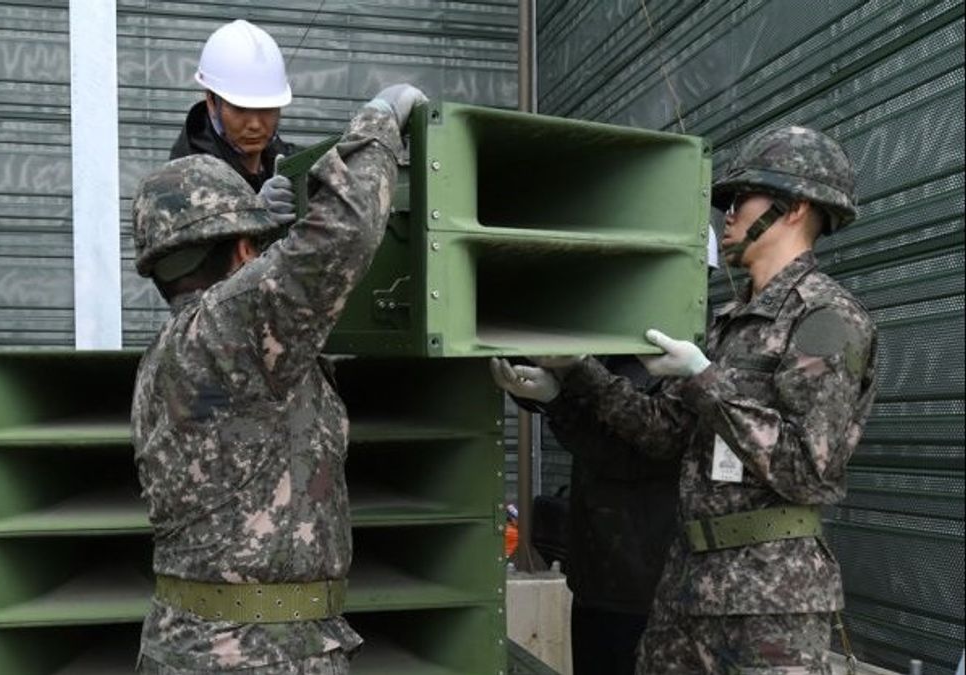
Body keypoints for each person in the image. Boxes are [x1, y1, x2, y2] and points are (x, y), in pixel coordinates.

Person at [515, 126, 876, 674]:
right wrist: (573, 376)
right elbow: (664, 434)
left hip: (769, 597)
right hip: (688, 582)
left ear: (796, 207)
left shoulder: (827, 319)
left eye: (740, 199)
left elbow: (808, 469)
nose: (726, 215)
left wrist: (706, 378)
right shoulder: (730, 325)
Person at [129, 82, 427, 675]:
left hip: (203, 646)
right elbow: (343, 233)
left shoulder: (171, 356)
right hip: (257, 655)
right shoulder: (228, 330)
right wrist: (378, 123)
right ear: (243, 247)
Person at [492, 228, 720, 675]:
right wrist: (553, 397)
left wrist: (574, 382)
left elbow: (645, 448)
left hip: (656, 584)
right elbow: (596, 444)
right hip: (600, 574)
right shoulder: (619, 338)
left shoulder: (693, 354)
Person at [171, 19, 298, 193]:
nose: (254, 124)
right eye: (240, 109)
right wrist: (257, 211)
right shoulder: (181, 181)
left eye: (266, 108)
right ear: (211, 101)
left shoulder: (298, 167)